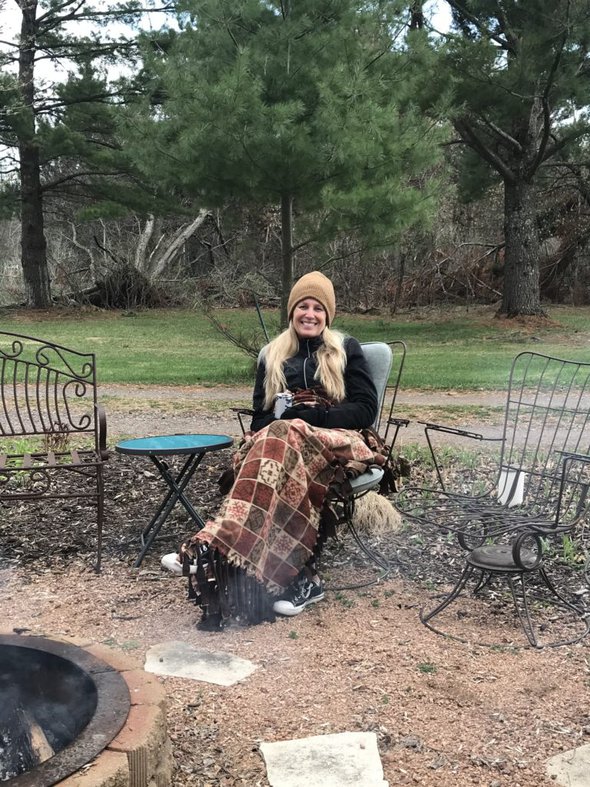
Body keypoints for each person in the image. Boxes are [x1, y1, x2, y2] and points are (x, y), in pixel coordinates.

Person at [162, 271, 387, 628]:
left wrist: (317, 414)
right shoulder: (272, 356)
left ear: (328, 316)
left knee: (285, 434)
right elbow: (258, 420)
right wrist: (281, 418)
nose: (309, 314)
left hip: (337, 439)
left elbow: (365, 409)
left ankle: (213, 546)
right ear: (291, 312)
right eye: (302, 306)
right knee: (279, 441)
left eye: (317, 308)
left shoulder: (345, 349)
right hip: (280, 445)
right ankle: (301, 581)